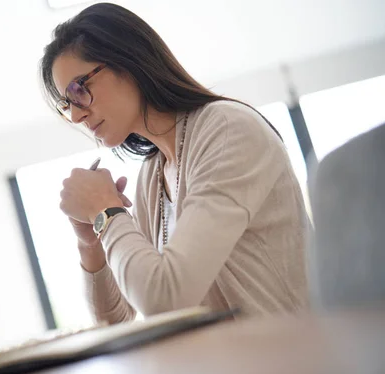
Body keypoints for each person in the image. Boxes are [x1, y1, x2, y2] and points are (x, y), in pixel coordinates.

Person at [40, 3, 309, 323]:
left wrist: (106, 212)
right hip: (220, 371)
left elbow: (166, 298)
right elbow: (115, 325)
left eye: (78, 89)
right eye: (65, 105)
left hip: (291, 366)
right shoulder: (151, 177)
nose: (75, 115)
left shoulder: (227, 130)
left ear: (127, 60)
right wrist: (90, 243)